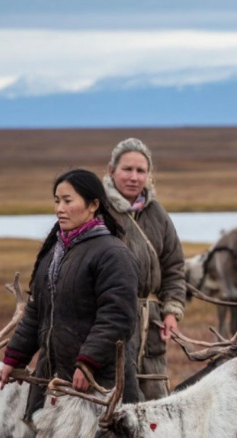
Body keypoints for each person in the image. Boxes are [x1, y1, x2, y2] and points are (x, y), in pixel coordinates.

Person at [0, 168, 140, 419]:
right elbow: (36, 309)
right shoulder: (54, 252)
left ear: (94, 204)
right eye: (56, 200)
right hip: (52, 374)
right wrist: (14, 358)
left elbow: (117, 317)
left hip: (100, 382)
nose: (59, 208)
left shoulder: (112, 254)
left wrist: (87, 363)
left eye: (67, 201)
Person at [103, 137, 187, 400]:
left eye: (141, 171)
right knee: (110, 396)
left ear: (149, 175)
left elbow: (174, 267)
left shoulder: (157, 214)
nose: (134, 177)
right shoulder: (97, 211)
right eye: (127, 169)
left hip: (150, 321)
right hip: (109, 317)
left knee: (155, 400)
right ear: (111, 170)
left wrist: (171, 312)